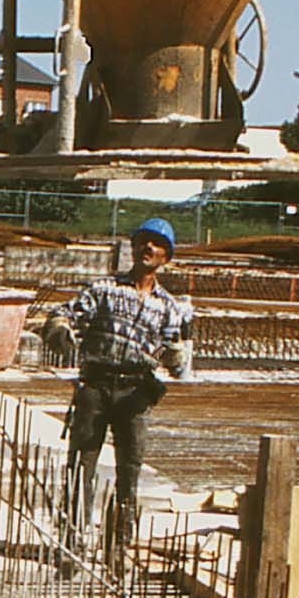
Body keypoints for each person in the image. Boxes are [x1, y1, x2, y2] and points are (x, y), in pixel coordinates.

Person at [56, 218, 197, 555]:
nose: (149, 248)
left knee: (129, 470)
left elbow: (171, 355)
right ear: (133, 249)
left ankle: (117, 545)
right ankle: (71, 543)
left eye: (157, 245)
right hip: (96, 386)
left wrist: (176, 353)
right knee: (81, 465)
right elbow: (67, 314)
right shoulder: (104, 289)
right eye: (144, 242)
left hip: (135, 393)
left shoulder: (168, 307)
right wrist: (59, 327)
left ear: (166, 257)